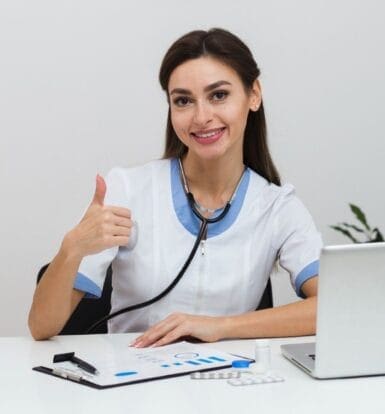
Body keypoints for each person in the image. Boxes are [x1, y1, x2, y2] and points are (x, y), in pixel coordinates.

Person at [28, 28, 322, 345]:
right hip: (132, 383)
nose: (201, 116)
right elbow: (41, 327)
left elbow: (334, 307)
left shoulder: (277, 206)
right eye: (183, 101)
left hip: (228, 385)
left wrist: (221, 326)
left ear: (253, 95)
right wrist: (72, 248)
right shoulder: (127, 189)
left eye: (219, 95)